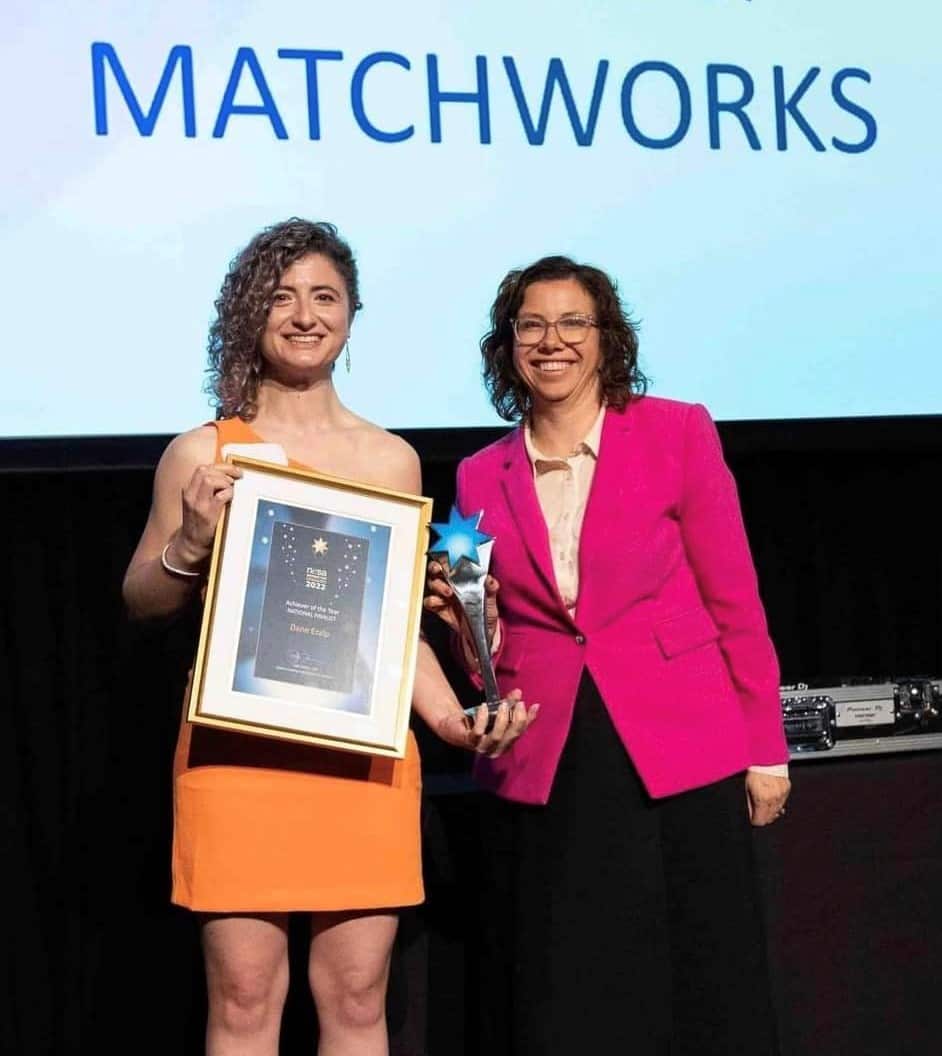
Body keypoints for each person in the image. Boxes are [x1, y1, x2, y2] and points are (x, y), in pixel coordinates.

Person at [122, 218, 536, 1056]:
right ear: (248, 313)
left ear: (351, 315)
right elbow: (141, 600)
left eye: (325, 296)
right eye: (282, 296)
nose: (305, 315)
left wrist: (454, 722)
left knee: (355, 998)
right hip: (239, 757)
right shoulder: (203, 454)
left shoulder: (390, 460)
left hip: (362, 763)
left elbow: (396, 635)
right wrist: (190, 545)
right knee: (243, 999)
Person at [425, 255, 791, 1055]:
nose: (551, 341)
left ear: (606, 339)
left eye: (573, 322)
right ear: (508, 343)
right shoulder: (480, 474)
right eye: (531, 324)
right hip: (550, 755)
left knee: (704, 983)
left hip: (680, 748)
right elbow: (488, 641)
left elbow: (735, 599)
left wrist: (766, 747)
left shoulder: (676, 431)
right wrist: (464, 627)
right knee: (574, 987)